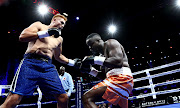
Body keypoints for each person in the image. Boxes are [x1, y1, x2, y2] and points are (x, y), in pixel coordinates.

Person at [0, 13, 80, 108]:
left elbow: (59, 56)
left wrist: (73, 63)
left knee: (63, 98)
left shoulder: (59, 39)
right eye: (61, 22)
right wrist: (46, 33)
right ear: (54, 20)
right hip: (30, 62)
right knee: (14, 98)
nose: (62, 26)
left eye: (64, 25)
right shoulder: (39, 25)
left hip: (47, 66)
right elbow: (22, 37)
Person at [80, 33, 134, 108]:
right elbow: (104, 77)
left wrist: (94, 59)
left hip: (122, 78)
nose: (90, 48)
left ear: (98, 41)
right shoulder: (102, 58)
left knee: (87, 98)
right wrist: (90, 70)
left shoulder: (110, 42)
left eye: (91, 44)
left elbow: (118, 62)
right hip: (118, 81)